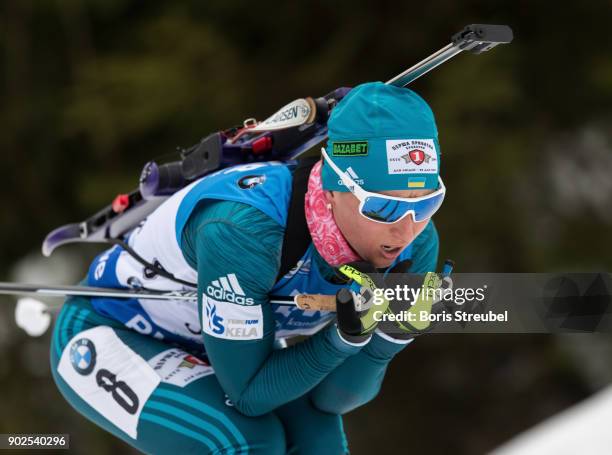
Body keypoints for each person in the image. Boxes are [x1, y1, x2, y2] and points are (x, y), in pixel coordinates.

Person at [49, 81, 445, 454]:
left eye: (426, 203)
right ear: (334, 187)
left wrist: (390, 338)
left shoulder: (414, 247)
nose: (406, 227)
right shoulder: (245, 232)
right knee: (247, 443)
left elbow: (332, 401)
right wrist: (342, 340)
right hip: (115, 330)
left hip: (234, 348)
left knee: (317, 444)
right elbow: (250, 395)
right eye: (383, 206)